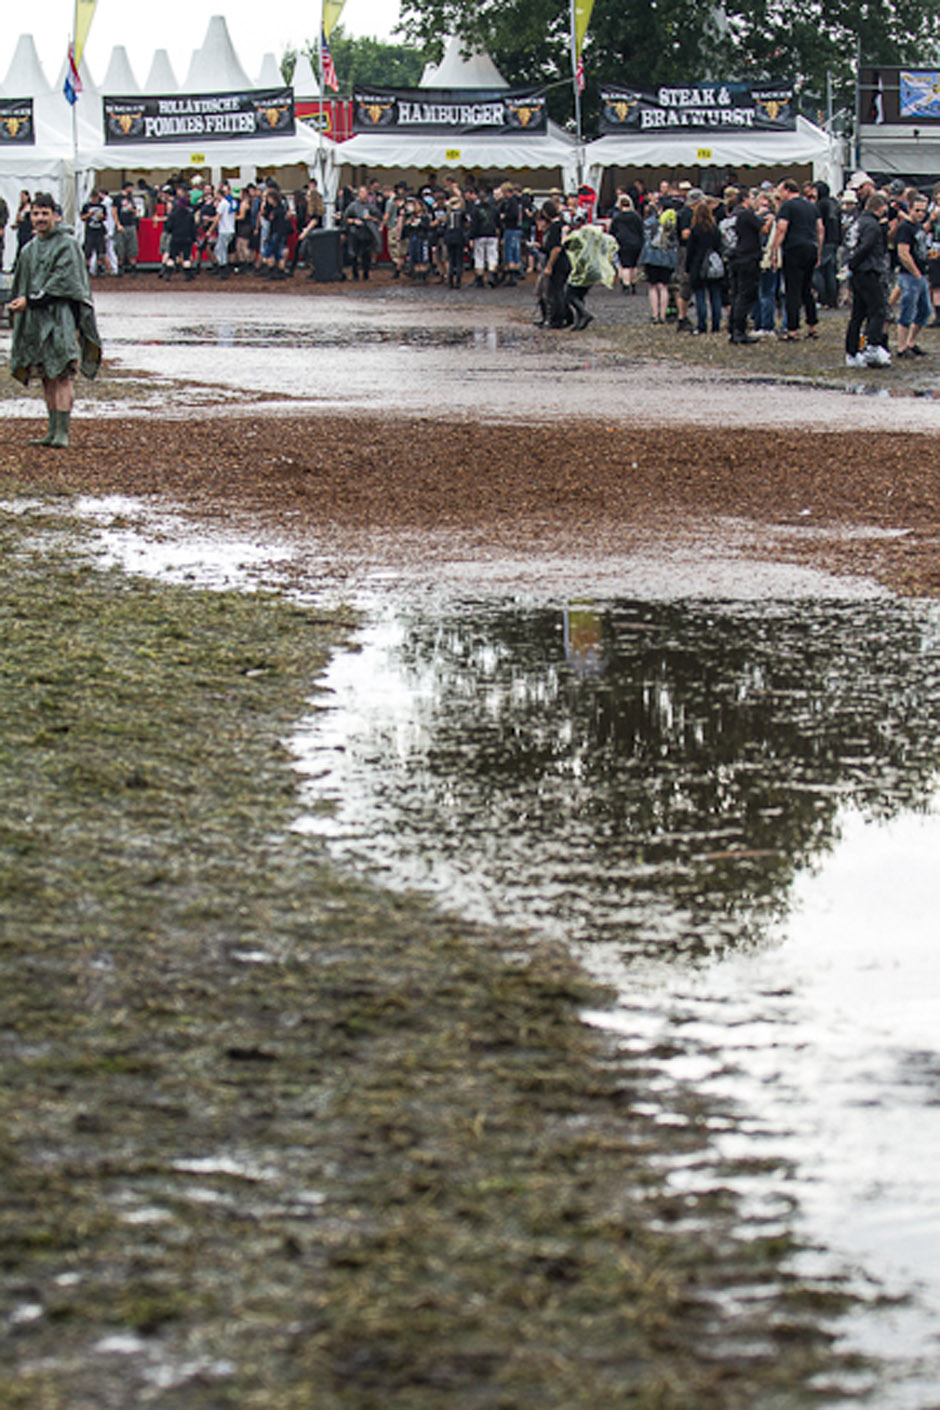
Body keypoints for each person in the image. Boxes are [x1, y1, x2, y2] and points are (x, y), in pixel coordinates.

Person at [8, 191, 101, 449]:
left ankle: (62, 432)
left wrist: (31, 301)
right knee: (46, 374)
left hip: (61, 319)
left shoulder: (67, 244)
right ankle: (51, 430)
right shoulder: (29, 249)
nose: (40, 218)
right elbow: (22, 282)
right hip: (37, 322)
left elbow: (65, 282)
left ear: (55, 216)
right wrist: (20, 304)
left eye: (44, 213)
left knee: (61, 374)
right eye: (35, 213)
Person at [771, 177, 823, 340]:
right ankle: (812, 326)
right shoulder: (811, 206)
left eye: (781, 191)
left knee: (792, 290)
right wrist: (819, 251)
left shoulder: (787, 206)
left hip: (794, 248)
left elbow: (781, 228)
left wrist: (774, 250)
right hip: (811, 247)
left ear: (787, 190)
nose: (779, 194)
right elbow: (820, 228)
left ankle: (792, 329)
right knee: (807, 289)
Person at [844, 193, 891, 368]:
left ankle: (852, 352)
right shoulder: (872, 225)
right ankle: (872, 346)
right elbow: (867, 246)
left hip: (857, 273)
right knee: (877, 310)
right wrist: (854, 263)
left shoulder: (857, 223)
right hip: (869, 270)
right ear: (880, 208)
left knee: (857, 314)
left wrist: (850, 265)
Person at [895, 189, 931, 359]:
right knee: (907, 312)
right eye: (917, 210)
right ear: (909, 209)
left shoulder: (918, 227)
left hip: (921, 274)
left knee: (925, 311)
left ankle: (911, 342)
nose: (920, 214)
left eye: (923, 211)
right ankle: (901, 347)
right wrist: (915, 272)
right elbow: (903, 253)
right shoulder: (905, 228)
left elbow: (920, 249)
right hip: (909, 276)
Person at [728, 189, 763, 345]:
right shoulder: (747, 214)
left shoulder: (732, 215)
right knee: (745, 295)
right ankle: (739, 330)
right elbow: (763, 228)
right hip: (748, 257)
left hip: (735, 257)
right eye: (752, 198)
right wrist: (769, 218)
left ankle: (733, 327)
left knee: (736, 294)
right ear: (745, 199)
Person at [686, 199, 725, 335]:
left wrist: (687, 268)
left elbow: (690, 251)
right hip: (713, 263)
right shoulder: (715, 230)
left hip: (698, 264)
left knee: (700, 296)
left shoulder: (695, 230)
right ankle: (716, 325)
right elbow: (720, 247)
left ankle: (702, 325)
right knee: (715, 296)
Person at [342, 184, 381, 280]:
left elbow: (378, 218)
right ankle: (355, 274)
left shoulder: (371, 206)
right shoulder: (353, 206)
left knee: (366, 254)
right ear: (359, 194)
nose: (364, 195)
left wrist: (370, 218)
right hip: (355, 232)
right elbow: (345, 218)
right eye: (362, 192)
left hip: (367, 232)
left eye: (365, 193)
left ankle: (366, 274)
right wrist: (354, 221)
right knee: (353, 254)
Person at [608, 194, 644, 294]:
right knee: (634, 264)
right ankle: (633, 283)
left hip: (622, 243)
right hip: (636, 243)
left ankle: (626, 285)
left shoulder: (617, 217)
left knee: (625, 265)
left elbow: (612, 231)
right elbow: (641, 230)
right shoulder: (636, 217)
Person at [113, 182, 140, 276]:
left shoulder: (130, 198)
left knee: (132, 248)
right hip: (122, 225)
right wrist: (118, 224)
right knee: (120, 248)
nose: (132, 190)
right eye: (131, 188)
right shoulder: (118, 198)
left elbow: (134, 210)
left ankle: (133, 268)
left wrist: (134, 211)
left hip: (131, 224)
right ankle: (120, 268)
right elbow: (114, 212)